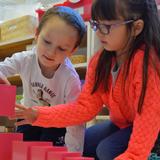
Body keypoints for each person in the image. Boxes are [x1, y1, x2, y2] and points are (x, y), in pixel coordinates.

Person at [12, 0, 160, 159]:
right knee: (86, 142)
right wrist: (37, 115)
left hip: (153, 124)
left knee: (107, 150)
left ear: (136, 27)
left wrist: (134, 155)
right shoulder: (100, 61)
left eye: (107, 26)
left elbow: (148, 117)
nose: (98, 32)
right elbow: (85, 108)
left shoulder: (147, 63)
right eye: (96, 23)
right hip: (125, 124)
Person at [0, 6, 86, 152]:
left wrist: (74, 153)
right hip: (28, 118)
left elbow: (75, 121)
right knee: (23, 151)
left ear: (72, 50)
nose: (51, 52)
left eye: (62, 48)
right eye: (47, 42)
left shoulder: (70, 78)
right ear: (37, 34)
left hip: (56, 123)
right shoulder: (25, 59)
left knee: (48, 151)